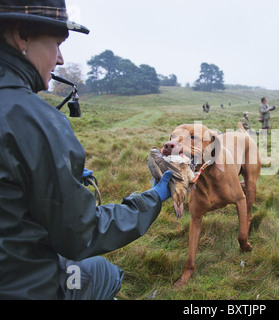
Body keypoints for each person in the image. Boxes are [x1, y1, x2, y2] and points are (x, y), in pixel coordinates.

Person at [0, 0, 173, 300]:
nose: (61, 59)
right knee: (103, 272)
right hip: (26, 284)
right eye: (56, 43)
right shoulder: (38, 121)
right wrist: (153, 197)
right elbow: (80, 235)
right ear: (21, 35)